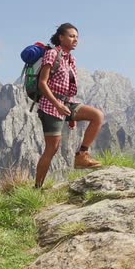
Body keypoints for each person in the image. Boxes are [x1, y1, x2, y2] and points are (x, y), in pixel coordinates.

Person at [35, 23, 104, 188]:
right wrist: (57, 106)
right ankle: (37, 188)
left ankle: (81, 155)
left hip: (66, 103)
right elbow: (42, 84)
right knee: (52, 148)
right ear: (61, 37)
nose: (76, 40)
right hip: (50, 105)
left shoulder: (71, 59)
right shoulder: (52, 54)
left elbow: (69, 88)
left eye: (77, 37)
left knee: (97, 116)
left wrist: (72, 117)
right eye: (72, 36)